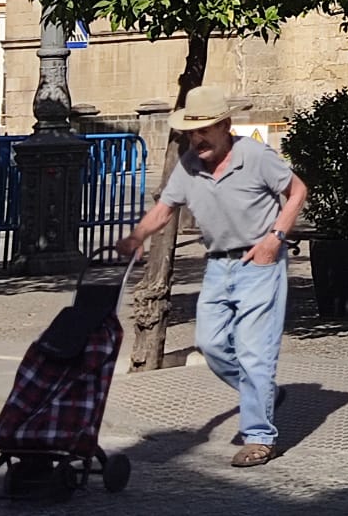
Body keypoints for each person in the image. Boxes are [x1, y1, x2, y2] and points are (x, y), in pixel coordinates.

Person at [118, 85, 306, 468]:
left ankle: (259, 437)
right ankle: (263, 392)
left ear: (225, 125)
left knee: (255, 351)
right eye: (191, 130)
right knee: (210, 343)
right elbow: (166, 208)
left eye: (203, 129)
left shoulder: (253, 156)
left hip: (260, 261)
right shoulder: (188, 165)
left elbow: (298, 190)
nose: (196, 138)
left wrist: (275, 238)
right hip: (218, 265)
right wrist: (137, 236)